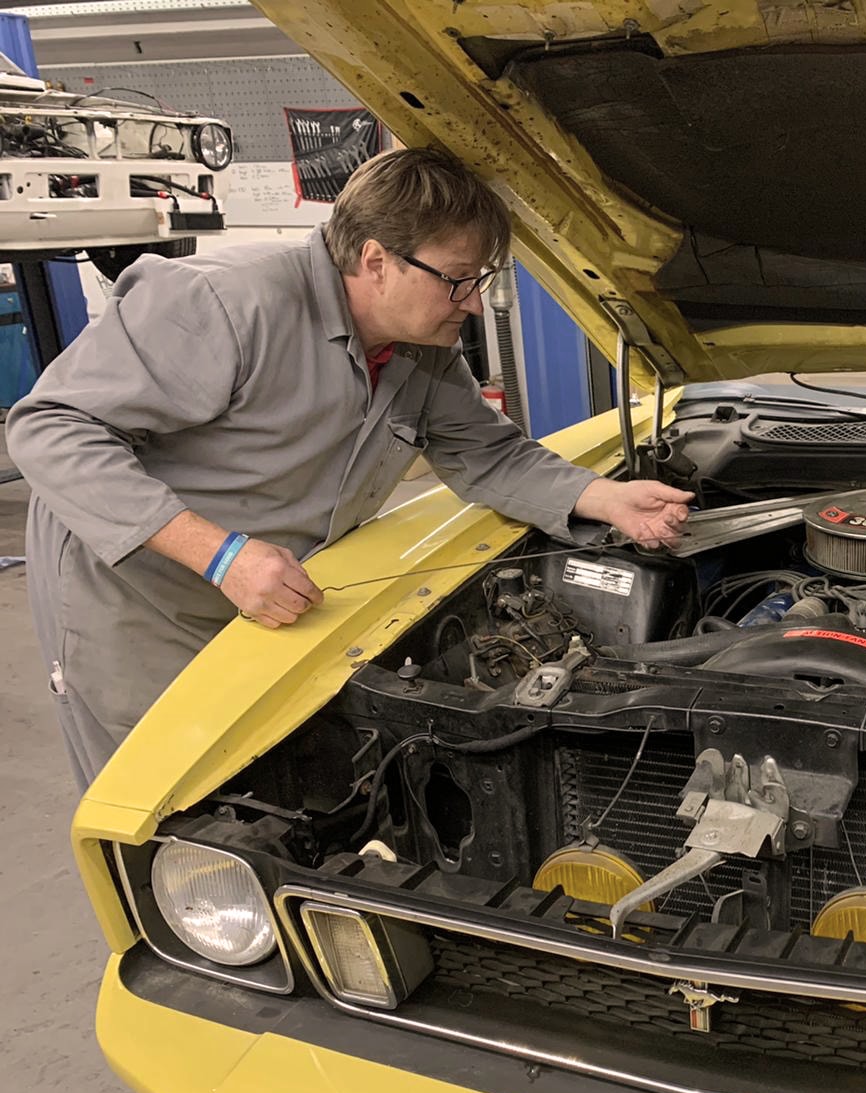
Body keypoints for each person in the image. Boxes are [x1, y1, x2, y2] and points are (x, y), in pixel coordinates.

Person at [8, 146, 693, 791]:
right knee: (173, 798)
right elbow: (50, 428)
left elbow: (491, 453)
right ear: (375, 261)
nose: (475, 302)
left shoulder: (419, 354)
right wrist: (221, 557)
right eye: (459, 279)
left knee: (279, 775)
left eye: (481, 280)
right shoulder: (224, 303)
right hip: (143, 596)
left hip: (273, 584)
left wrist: (608, 498)